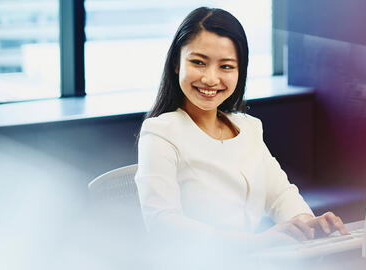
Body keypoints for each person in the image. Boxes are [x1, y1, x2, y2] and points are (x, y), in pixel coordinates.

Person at [135, 7, 348, 256]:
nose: (210, 78)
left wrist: (306, 223)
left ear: (240, 71)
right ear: (176, 63)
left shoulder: (248, 127)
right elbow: (165, 227)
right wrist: (257, 241)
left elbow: (279, 195)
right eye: (198, 62)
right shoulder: (161, 133)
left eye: (226, 66)